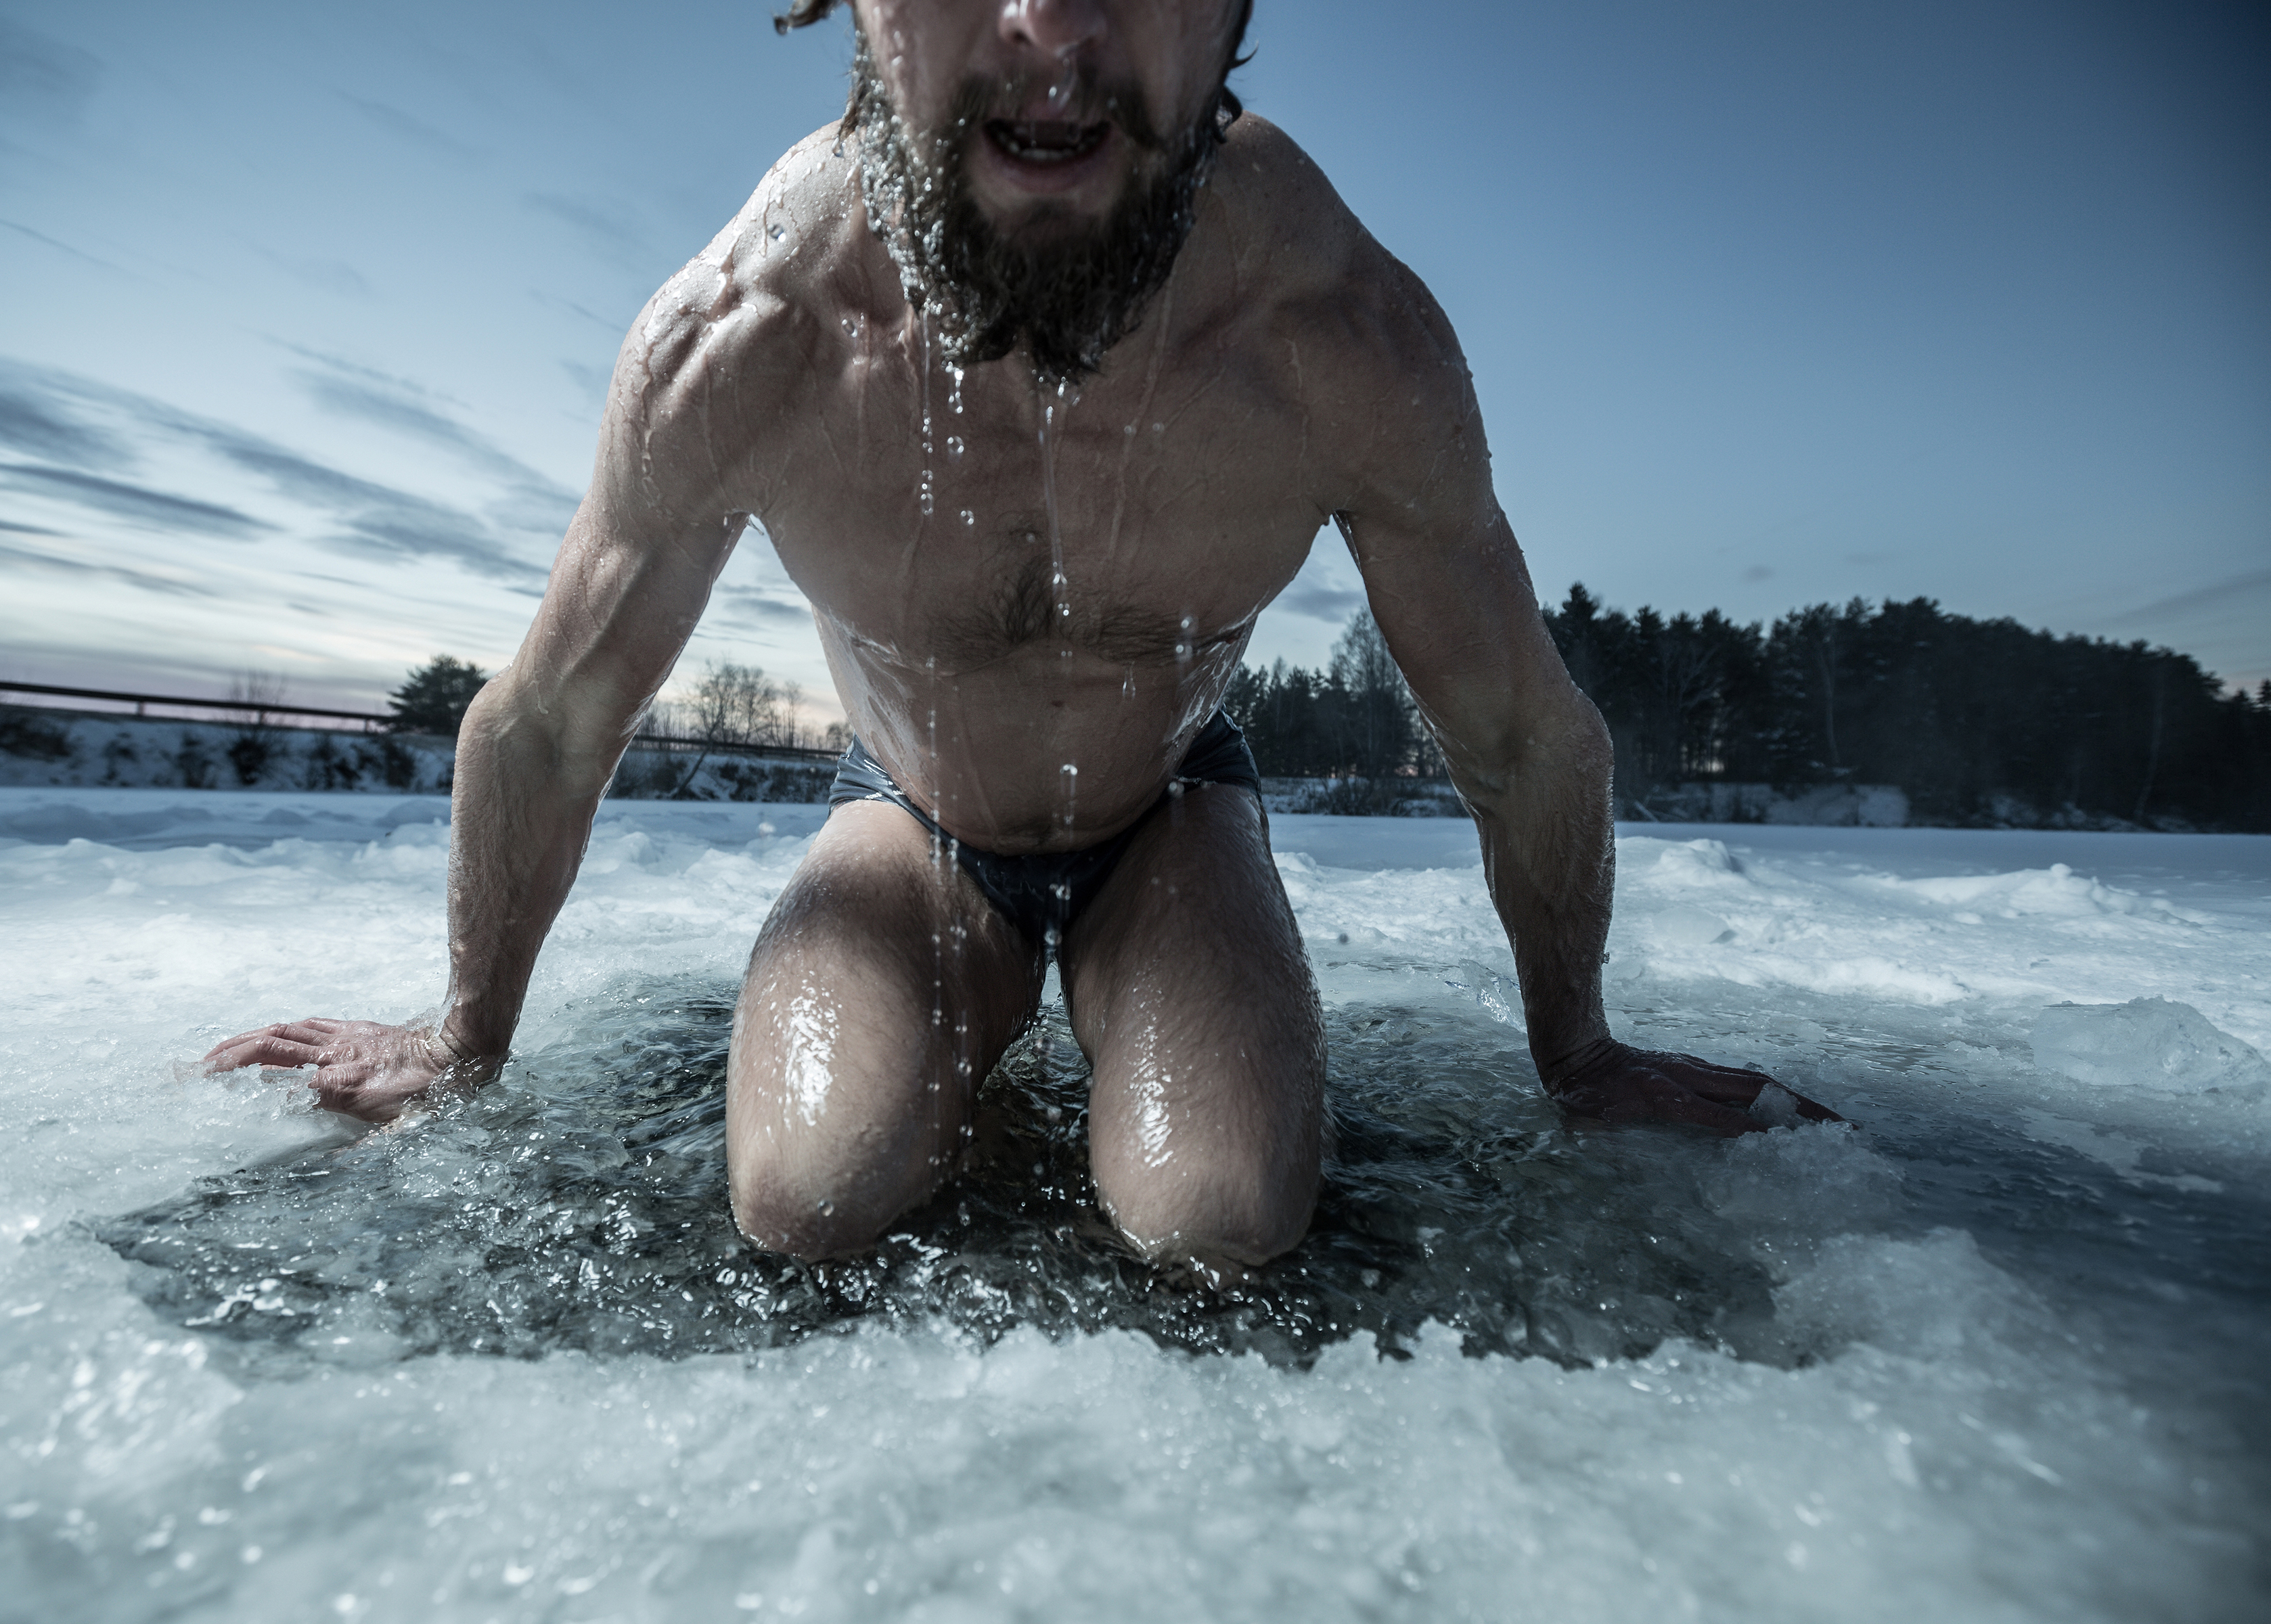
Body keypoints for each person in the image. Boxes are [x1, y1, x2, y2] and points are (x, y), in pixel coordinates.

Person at [204, 0, 1839, 1272]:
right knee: (806, 1196)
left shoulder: (1336, 337)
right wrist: (463, 1043)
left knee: (1217, 1216)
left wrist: (1582, 1053)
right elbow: (554, 718)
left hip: (1170, 812)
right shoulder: (753, 335)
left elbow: (1518, 731)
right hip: (908, 815)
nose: (1052, 33)